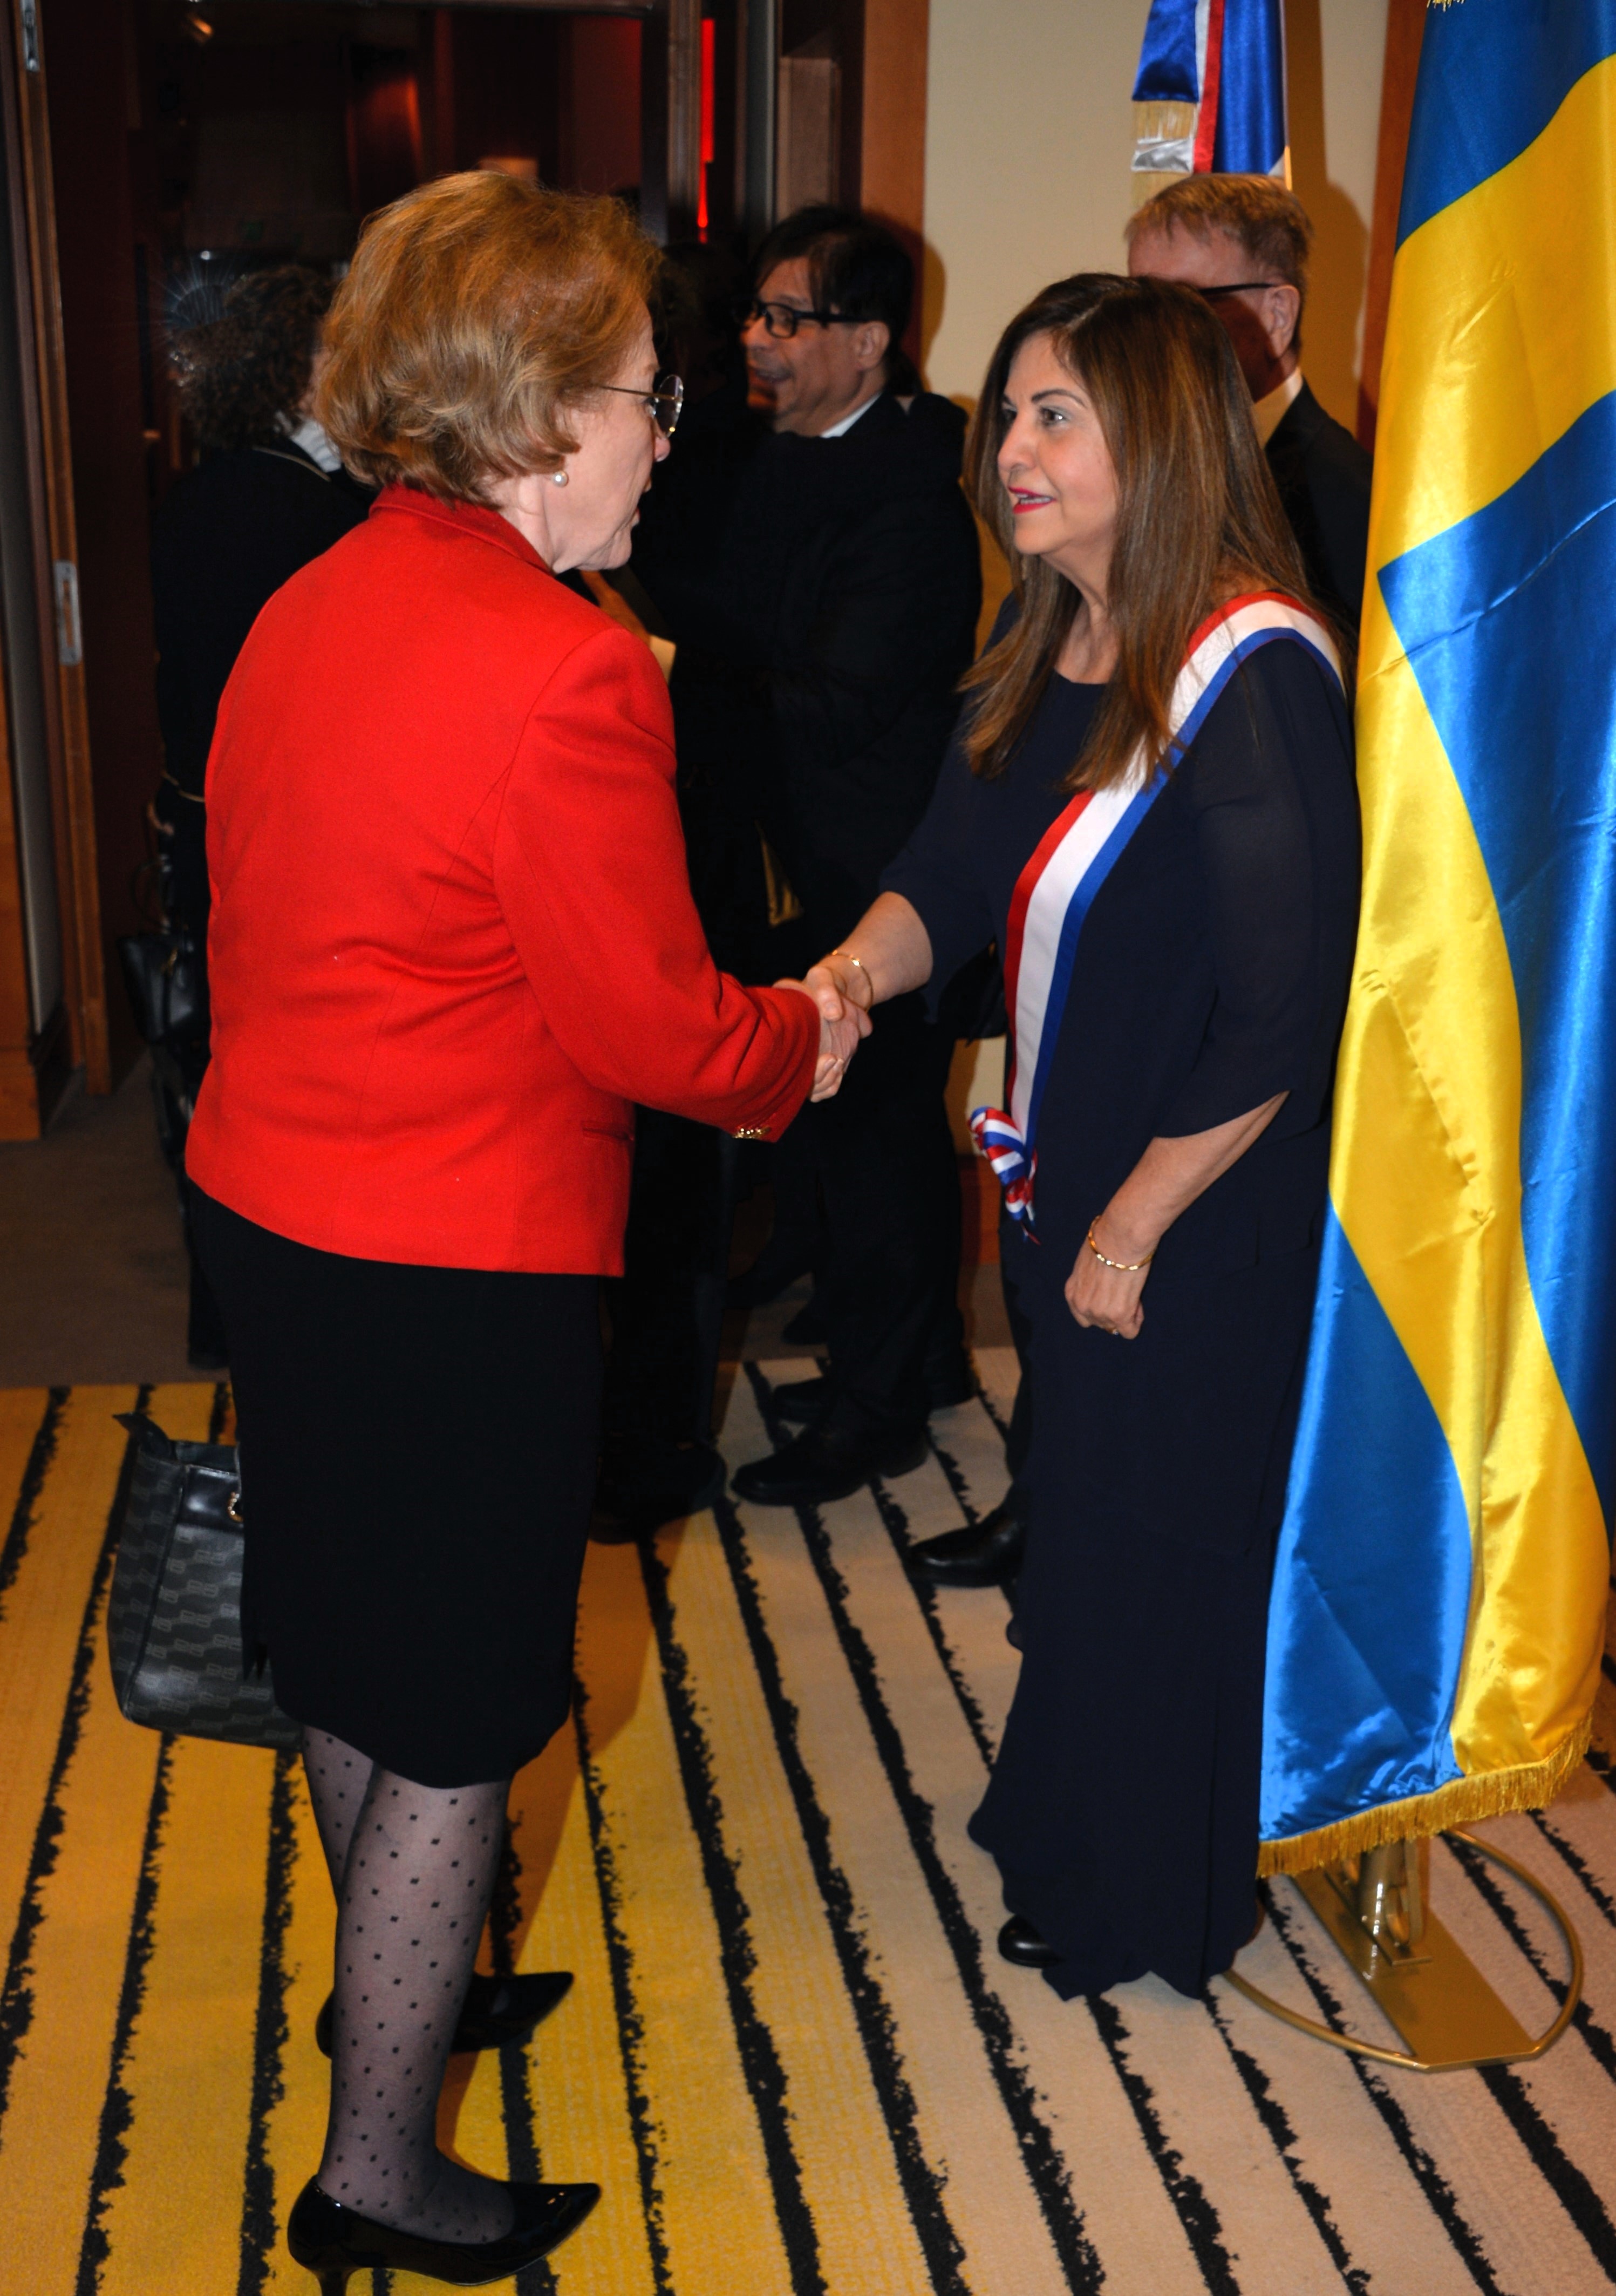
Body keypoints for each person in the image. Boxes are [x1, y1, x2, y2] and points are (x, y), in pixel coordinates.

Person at [183, 172, 859, 2292]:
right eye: (652, 395)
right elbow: (655, 1029)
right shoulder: (566, 671)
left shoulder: (311, 594)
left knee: (350, 1647)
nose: (670, 435)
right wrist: (803, 1037)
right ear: (540, 414)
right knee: (469, 1707)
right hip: (455, 1260)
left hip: (274, 1215)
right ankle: (379, 2169)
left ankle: (401, 1994)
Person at [801, 274, 1360, 1999]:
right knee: (1086, 1521)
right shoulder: (1049, 632)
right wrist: (845, 975)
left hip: (1193, 1207)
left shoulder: (1247, 670)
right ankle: (1071, 1816)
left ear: (1162, 439)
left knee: (1159, 1540)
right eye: (1008, 414)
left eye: (1055, 416)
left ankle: (1147, 1893)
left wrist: (1130, 1220)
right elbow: (945, 873)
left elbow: (1282, 1007)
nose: (1010, 451)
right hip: (1072, 1176)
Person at [630, 205, 982, 1514]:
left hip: (880, 875)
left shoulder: (913, 495)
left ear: (870, 340)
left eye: (789, 319)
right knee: (833, 1141)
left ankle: (876, 1416)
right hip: (786, 856)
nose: (757, 341)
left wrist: (660, 665)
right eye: (755, 315)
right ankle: (917, 1364)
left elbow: (835, 701)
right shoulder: (766, 451)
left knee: (882, 1144)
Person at [148, 265, 371, 1366]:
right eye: (337, 348)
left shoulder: (210, 491)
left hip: (211, 829)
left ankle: (232, 1316)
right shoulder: (304, 511)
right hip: (282, 844)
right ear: (297, 370)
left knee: (229, 1078)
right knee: (288, 1085)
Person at [1127, 175, 1373, 638]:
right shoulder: (1137, 470)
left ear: (1276, 316)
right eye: (1137, 309)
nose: (1149, 338)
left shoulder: (1348, 504)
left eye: (1183, 306)